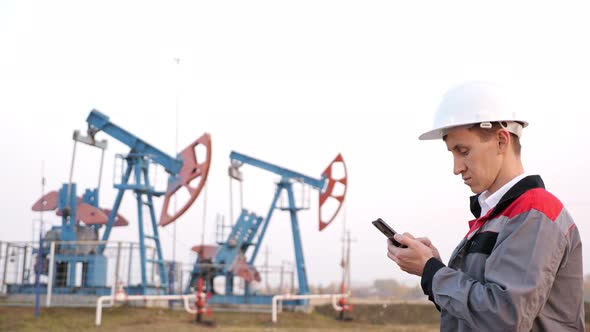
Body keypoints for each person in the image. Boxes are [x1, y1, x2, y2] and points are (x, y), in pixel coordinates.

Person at [386, 81, 585, 331]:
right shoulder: (496, 216)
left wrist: (432, 272)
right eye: (453, 154)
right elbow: (477, 310)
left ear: (502, 141)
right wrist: (433, 265)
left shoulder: (535, 212)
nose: (456, 167)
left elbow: (503, 318)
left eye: (463, 151)